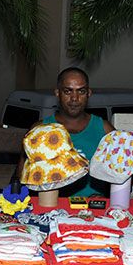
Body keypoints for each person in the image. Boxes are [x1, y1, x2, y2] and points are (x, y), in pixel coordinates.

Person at [17, 67, 114, 196]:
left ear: (89, 93)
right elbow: (22, 177)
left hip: (93, 205)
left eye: (81, 91)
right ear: (57, 93)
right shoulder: (39, 130)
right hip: (51, 204)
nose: (74, 98)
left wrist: (105, 198)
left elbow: (121, 174)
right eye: (68, 91)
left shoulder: (104, 129)